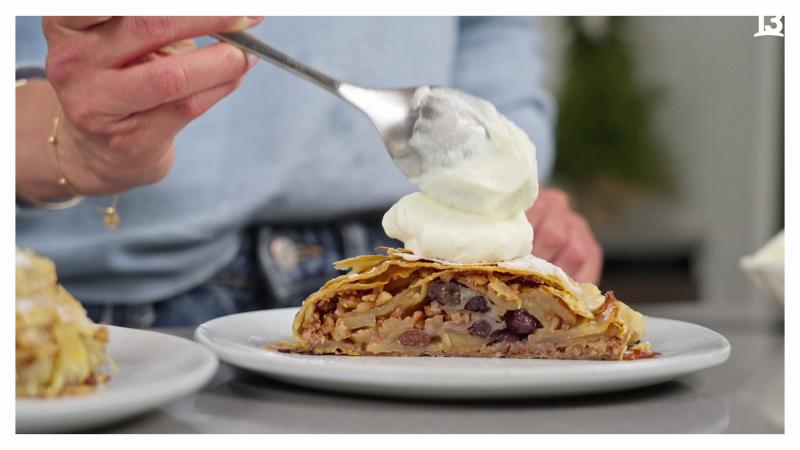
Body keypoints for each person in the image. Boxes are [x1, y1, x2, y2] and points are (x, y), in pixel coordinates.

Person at [16, 16, 602, 327]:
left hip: (425, 282)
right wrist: (67, 145)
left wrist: (505, 197)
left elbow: (489, 28)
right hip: (133, 307)